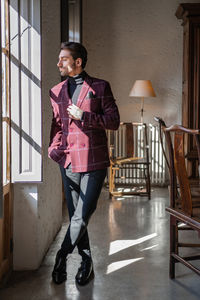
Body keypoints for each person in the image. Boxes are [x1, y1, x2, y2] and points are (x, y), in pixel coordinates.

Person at [48, 42, 120, 285]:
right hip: (67, 161)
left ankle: (61, 256)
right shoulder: (56, 91)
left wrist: (85, 116)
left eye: (63, 59)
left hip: (94, 160)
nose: (58, 63)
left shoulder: (100, 86)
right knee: (77, 216)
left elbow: (113, 121)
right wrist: (54, 149)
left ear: (78, 62)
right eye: (59, 59)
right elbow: (57, 125)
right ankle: (86, 262)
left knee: (82, 214)